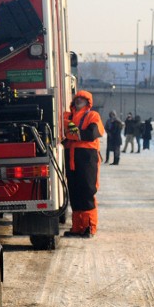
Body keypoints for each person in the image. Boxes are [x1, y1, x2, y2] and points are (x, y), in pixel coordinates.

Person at [63, 90, 104, 238]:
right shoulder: (67, 116)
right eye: (78, 98)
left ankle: (89, 227)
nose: (79, 100)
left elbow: (91, 134)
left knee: (87, 191)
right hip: (72, 157)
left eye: (83, 99)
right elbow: (61, 132)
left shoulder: (93, 116)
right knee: (74, 193)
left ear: (88, 103)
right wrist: (74, 132)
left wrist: (71, 132)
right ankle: (77, 227)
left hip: (87, 158)